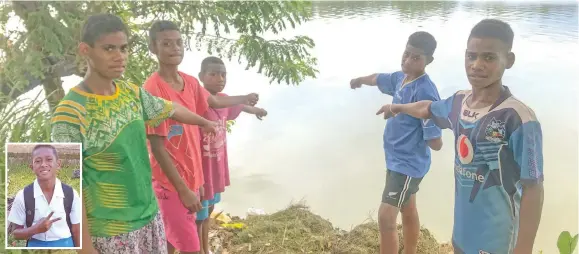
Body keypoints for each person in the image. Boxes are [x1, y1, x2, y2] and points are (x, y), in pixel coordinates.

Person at [50, 14, 220, 254]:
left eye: (124, 48)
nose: (120, 56)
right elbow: (66, 190)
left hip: (150, 219)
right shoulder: (69, 113)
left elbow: (171, 109)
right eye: (109, 48)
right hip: (110, 233)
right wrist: (85, 249)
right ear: (85, 50)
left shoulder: (131, 93)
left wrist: (204, 122)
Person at [376, 19, 543, 254]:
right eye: (471, 56)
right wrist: (398, 108)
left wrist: (523, 249)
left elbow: (533, 188)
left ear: (509, 60)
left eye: (489, 57)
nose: (477, 65)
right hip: (463, 236)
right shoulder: (458, 103)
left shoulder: (519, 119)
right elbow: (428, 108)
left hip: (499, 242)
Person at [143, 20, 259, 254]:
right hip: (171, 183)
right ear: (153, 48)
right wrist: (184, 189)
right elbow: (157, 147)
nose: (175, 48)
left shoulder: (191, 82)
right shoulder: (152, 90)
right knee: (190, 247)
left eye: (178, 43)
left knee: (172, 240)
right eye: (166, 44)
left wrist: (199, 181)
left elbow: (208, 109)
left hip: (192, 178)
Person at [349, 31, 443, 254]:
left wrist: (431, 129)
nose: (407, 60)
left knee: (385, 217)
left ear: (429, 60)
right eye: (406, 53)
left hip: (409, 164)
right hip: (395, 159)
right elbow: (378, 78)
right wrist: (360, 80)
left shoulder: (425, 91)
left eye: (415, 58)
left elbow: (436, 142)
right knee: (408, 208)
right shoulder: (401, 78)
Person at [195, 56, 268, 254]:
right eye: (213, 74)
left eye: (223, 74)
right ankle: (198, 249)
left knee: (209, 208)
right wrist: (244, 96)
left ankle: (205, 247)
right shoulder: (199, 96)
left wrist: (257, 110)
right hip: (200, 166)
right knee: (199, 214)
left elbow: (240, 107)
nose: (220, 78)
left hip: (216, 165)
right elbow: (217, 102)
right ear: (201, 76)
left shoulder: (225, 99)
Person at [8, 144, 81, 248]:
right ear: (32, 167)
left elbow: (76, 229)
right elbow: (16, 233)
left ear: (58, 164)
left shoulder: (71, 194)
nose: (43, 164)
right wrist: (36, 229)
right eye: (38, 161)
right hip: (35, 245)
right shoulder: (23, 195)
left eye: (49, 159)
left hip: (65, 244)